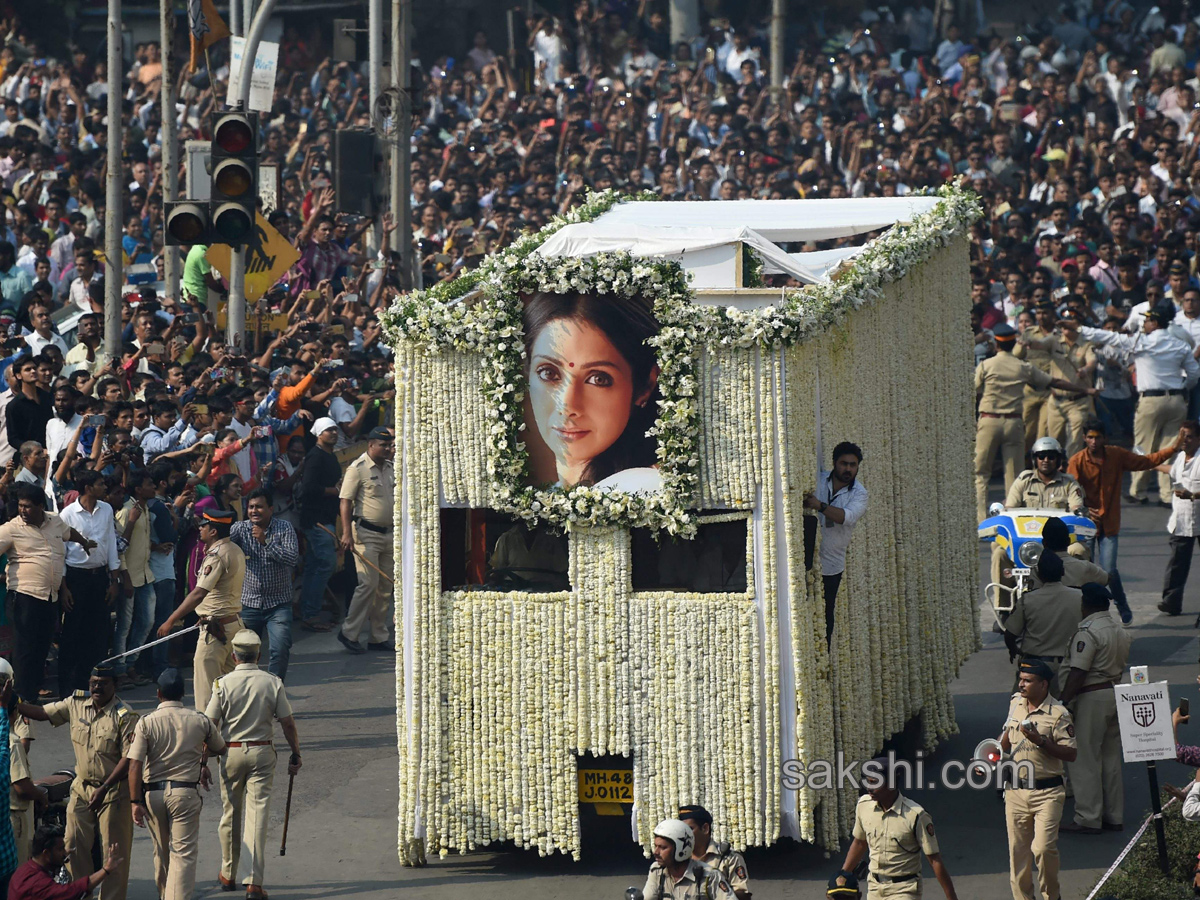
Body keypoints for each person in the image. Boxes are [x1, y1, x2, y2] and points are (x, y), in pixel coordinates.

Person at [16, 665, 136, 900]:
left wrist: (104, 788)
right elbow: (42, 714)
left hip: (112, 790)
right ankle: (80, 894)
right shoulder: (76, 703)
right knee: (72, 845)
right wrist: (12, 702)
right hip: (82, 787)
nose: (97, 687)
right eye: (93, 682)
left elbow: (129, 758)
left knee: (114, 850)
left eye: (103, 683)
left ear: (115, 685)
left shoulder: (125, 715)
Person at [522, 291, 662, 492]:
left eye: (599, 379)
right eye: (548, 373)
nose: (567, 405)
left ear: (645, 386)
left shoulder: (643, 489)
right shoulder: (558, 495)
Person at [1067, 305, 1200, 504]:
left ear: (1154, 322)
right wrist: (1182, 388)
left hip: (1150, 400)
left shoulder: (1141, 342)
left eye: (1147, 321)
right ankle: (1167, 494)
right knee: (1171, 446)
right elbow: (1194, 374)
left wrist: (1079, 329)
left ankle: (1139, 490)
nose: (1144, 324)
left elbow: (1109, 337)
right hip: (1176, 399)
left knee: (1144, 445)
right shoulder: (1179, 344)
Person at [204, 631, 302, 899]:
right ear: (258, 655)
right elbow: (287, 723)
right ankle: (254, 882)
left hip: (231, 751)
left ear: (234, 656)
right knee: (257, 816)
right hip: (261, 751)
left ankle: (228, 873)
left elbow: (209, 724)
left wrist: (204, 760)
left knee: (230, 813)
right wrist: (296, 753)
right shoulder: (272, 682)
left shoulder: (222, 684)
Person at [974, 323, 1096, 522]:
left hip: (989, 420)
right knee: (1014, 477)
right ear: (1013, 343)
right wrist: (1085, 390)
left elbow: (974, 390)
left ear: (996, 345)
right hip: (1014, 423)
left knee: (981, 474)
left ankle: (981, 520)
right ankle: (1011, 519)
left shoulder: (986, 365)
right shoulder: (1022, 367)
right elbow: (1054, 382)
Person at [1067, 419, 1182, 625]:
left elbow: (1146, 461)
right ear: (1084, 438)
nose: (1094, 441)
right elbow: (1070, 490)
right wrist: (1083, 509)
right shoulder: (1077, 461)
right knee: (1086, 569)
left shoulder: (1116, 455)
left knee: (1109, 570)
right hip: (1085, 525)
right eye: (1090, 437)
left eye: (1097, 437)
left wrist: (1173, 448)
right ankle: (1089, 612)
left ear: (1105, 438)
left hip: (1109, 523)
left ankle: (1122, 605)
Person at [126, 668, 226, 900]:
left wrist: (134, 802)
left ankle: (165, 895)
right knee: (183, 853)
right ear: (183, 694)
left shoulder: (146, 722)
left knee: (161, 852)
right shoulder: (199, 720)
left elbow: (134, 765)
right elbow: (219, 747)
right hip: (184, 793)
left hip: (153, 795)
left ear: (159, 694)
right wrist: (201, 761)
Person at [999, 658, 1077, 900]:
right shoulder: (1015, 703)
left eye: (1027, 681)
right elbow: (1004, 738)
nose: (1021, 685)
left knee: (1043, 849)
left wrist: (1041, 741)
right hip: (1015, 792)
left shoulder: (1059, 714)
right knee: (1018, 853)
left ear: (1043, 684)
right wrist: (986, 757)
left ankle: (1051, 896)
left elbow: (1071, 753)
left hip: (1048, 792)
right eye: (1020, 680)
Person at [156, 508, 247, 713]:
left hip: (215, 632)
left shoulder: (216, 555)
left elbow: (199, 593)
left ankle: (207, 738)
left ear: (213, 531)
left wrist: (170, 620)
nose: (200, 528)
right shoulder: (234, 549)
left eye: (204, 525)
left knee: (206, 693)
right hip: (233, 625)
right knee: (236, 688)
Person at [1058, 583, 1132, 834]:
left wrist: (1063, 702)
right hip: (1114, 692)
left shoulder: (1088, 631)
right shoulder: (1119, 630)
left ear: (1085, 604)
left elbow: (1079, 671)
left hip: (1091, 696)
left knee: (1085, 757)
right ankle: (1114, 816)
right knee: (1111, 757)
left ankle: (1088, 817)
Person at [836, 759, 959, 900]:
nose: (869, 788)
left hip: (904, 889)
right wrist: (842, 876)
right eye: (868, 782)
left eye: (874, 782)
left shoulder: (916, 815)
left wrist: (952, 897)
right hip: (874, 888)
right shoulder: (863, 806)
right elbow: (859, 843)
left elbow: (934, 860)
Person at [0, 484, 73, 703]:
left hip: (49, 597)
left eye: (28, 506)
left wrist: (85, 542)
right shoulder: (11, 528)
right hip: (23, 597)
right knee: (24, 649)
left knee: (42, 646)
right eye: (21, 506)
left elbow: (70, 533)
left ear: (41, 506)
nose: (23, 510)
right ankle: (22, 697)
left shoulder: (55, 522)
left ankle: (32, 692)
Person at [57, 470, 121, 701]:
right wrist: (64, 589)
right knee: (73, 633)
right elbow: (61, 554)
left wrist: (114, 581)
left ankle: (96, 684)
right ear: (87, 488)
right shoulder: (67, 514)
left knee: (99, 633)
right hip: (76, 578)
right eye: (100, 483)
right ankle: (67, 687)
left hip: (100, 578)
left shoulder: (106, 509)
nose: (104, 487)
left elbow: (111, 544)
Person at [802, 441, 868, 645]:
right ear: (834, 463)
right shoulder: (819, 480)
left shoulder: (860, 494)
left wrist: (820, 506)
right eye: (844, 463)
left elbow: (846, 517)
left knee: (825, 614)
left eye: (853, 465)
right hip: (805, 561)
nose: (848, 469)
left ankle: (823, 655)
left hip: (831, 565)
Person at [230, 488, 300, 679]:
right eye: (251, 507)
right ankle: (247, 692)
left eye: (259, 507)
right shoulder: (240, 529)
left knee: (279, 649)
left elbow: (292, 558)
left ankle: (274, 692)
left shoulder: (284, 528)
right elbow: (223, 546)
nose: (254, 511)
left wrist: (265, 541)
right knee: (244, 656)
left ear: (270, 509)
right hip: (249, 604)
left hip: (279, 604)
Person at [337, 426, 395, 654]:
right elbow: (345, 501)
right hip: (365, 534)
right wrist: (346, 533)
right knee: (367, 584)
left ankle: (378, 636)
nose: (388, 449)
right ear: (371, 445)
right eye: (383, 445)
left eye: (389, 445)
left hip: (388, 534)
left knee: (384, 586)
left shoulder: (390, 468)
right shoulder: (357, 468)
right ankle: (349, 632)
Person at [1004, 553, 1083, 695]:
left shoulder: (1027, 599)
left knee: (1022, 711)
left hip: (1034, 667)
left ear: (1039, 574)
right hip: (1068, 668)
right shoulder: (1080, 597)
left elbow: (1010, 633)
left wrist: (1013, 650)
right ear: (1063, 572)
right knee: (1065, 713)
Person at [297, 418, 341, 632]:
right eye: (328, 430)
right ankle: (311, 612)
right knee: (325, 564)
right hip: (317, 521)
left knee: (315, 567)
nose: (333, 433)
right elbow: (308, 488)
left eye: (335, 429)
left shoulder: (329, 455)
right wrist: (334, 491)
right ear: (318, 434)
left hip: (326, 518)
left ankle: (309, 610)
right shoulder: (315, 457)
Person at [1156, 419, 1200, 615]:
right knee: (1177, 564)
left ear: (1198, 439)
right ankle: (1171, 602)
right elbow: (1171, 471)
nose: (1185, 441)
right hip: (1181, 520)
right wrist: (1151, 463)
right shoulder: (1181, 457)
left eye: (1189, 437)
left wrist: (1192, 495)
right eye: (1182, 436)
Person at [7, 826, 122, 900]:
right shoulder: (38, 883)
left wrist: (59, 856)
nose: (64, 853)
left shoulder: (23, 870)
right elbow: (71, 892)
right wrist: (106, 870)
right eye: (60, 849)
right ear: (46, 853)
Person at [641, 818, 737, 900]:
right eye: (656, 846)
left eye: (663, 848)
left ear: (681, 849)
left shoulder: (709, 876)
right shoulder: (657, 871)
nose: (656, 852)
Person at [677, 805, 750, 900]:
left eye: (689, 829)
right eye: (681, 830)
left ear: (705, 828)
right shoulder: (678, 858)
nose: (684, 835)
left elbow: (743, 894)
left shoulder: (728, 858)